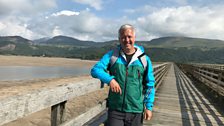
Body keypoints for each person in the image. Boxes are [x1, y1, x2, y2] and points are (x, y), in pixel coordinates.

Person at [91, 24, 155, 126]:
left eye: (129, 37)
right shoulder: (112, 55)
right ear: (119, 39)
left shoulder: (144, 59)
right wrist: (110, 80)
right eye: (123, 37)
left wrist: (148, 107)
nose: (126, 40)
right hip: (116, 109)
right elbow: (95, 70)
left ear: (134, 38)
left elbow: (150, 85)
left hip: (136, 110)